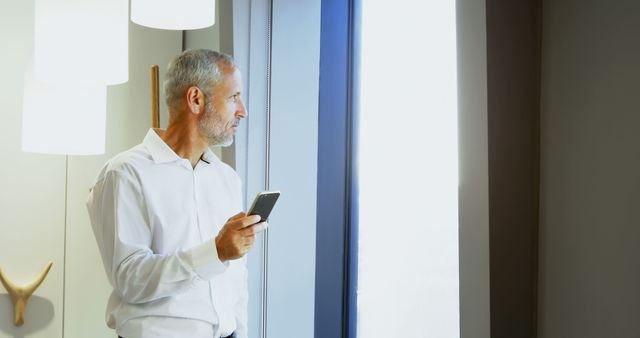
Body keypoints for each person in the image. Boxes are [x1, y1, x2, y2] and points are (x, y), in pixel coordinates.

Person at [86, 49, 266, 338]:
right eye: (233, 97)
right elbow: (130, 279)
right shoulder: (125, 173)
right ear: (196, 99)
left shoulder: (227, 178)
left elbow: (235, 279)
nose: (242, 110)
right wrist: (216, 252)